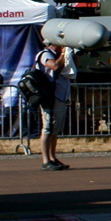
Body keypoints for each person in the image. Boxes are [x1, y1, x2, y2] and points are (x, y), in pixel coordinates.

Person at [34, 39, 71, 170]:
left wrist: (70, 54)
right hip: (49, 96)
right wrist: (63, 54)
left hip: (60, 95)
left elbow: (73, 68)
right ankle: (45, 160)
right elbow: (54, 66)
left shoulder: (58, 55)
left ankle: (53, 157)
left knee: (55, 130)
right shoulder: (45, 54)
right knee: (47, 128)